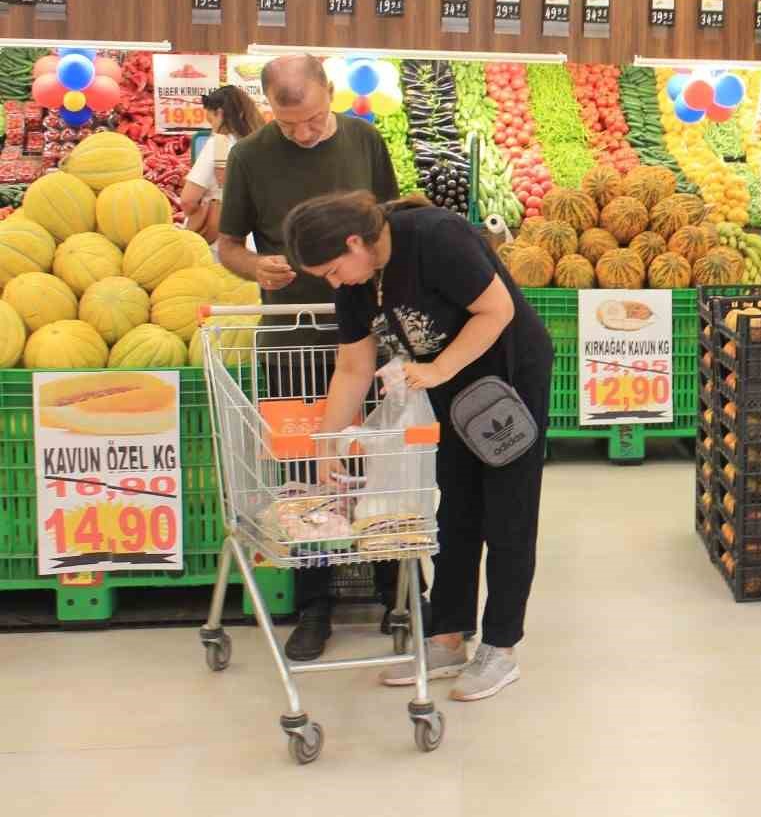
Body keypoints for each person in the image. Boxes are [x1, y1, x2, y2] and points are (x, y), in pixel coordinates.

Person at [284, 191, 553, 702]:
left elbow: (495, 310)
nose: (335, 282)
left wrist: (437, 369)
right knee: (454, 506)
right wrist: (327, 442)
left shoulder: (435, 237)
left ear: (355, 241)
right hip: (446, 388)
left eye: (335, 269)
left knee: (508, 512)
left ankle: (500, 648)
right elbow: (353, 367)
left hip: (508, 381)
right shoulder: (355, 282)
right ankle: (448, 635)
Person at [218, 54, 403, 662]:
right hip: (291, 336)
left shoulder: (365, 139)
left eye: (313, 119)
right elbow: (227, 245)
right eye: (287, 122)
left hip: (365, 331)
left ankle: (394, 585)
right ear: (268, 106)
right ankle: (315, 603)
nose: (302, 133)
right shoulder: (249, 155)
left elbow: (391, 225)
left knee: (377, 457)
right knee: (304, 474)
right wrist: (255, 266)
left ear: (330, 91)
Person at [180, 85, 264, 247]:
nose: (211, 127)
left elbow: (188, 200)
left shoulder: (219, 144)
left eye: (211, 119)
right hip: (254, 240)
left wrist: (198, 214)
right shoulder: (259, 144)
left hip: (220, 242)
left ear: (220, 113)